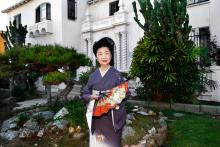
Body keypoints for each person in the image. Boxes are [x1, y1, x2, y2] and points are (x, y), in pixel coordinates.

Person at [81, 38, 130, 147]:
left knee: (112, 143)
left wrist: (115, 98)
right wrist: (91, 96)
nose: (104, 56)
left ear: (111, 56)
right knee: (97, 143)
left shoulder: (117, 75)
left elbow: (126, 93)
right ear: (97, 57)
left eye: (107, 53)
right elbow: (84, 93)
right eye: (100, 54)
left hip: (112, 116)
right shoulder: (92, 76)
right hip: (96, 116)